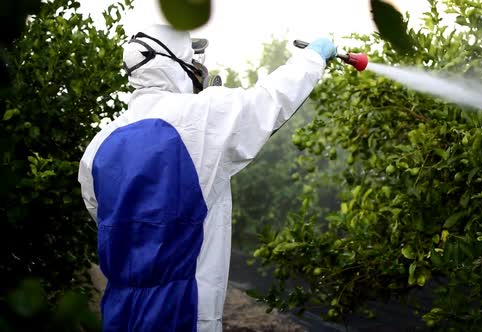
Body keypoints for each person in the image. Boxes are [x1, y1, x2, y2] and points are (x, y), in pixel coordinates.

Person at [78, 24, 336, 332]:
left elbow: (101, 214)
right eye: (194, 57)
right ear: (173, 63)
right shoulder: (201, 118)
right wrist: (314, 58)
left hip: (120, 311)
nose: (199, 67)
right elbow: (270, 101)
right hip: (183, 311)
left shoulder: (97, 146)